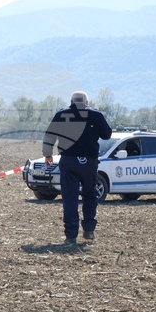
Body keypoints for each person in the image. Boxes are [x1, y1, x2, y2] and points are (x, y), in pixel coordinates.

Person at [42, 91, 113, 244]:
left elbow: (49, 136)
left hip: (69, 162)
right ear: (86, 102)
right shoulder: (96, 115)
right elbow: (107, 135)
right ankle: (88, 230)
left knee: (70, 199)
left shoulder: (61, 114)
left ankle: (71, 235)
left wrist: (47, 154)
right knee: (89, 195)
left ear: (71, 101)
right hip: (89, 163)